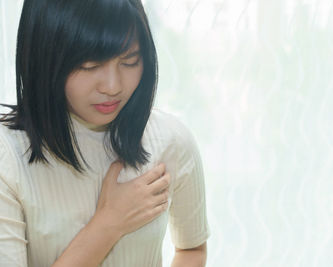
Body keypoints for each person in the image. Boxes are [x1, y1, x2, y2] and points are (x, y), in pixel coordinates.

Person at [0, 0, 211, 266]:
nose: (113, 86)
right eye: (90, 65)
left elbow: (192, 249)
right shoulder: (7, 156)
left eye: (130, 61)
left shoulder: (171, 140)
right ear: (44, 58)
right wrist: (109, 223)